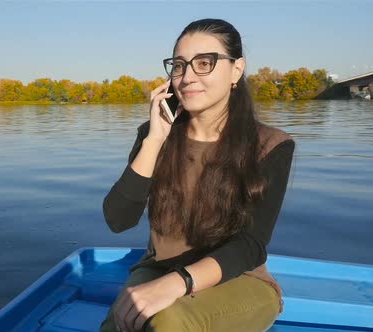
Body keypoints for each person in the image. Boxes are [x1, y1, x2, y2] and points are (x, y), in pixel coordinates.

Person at [100, 18, 295, 332]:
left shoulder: (271, 146)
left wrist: (179, 282)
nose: (187, 77)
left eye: (205, 63)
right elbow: (117, 220)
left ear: (236, 69)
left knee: (167, 321)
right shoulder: (154, 135)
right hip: (159, 269)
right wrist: (154, 140)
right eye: (179, 65)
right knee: (117, 327)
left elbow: (251, 244)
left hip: (238, 278)